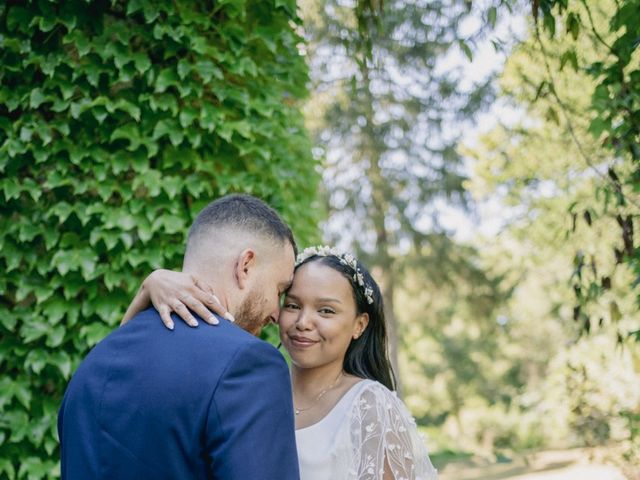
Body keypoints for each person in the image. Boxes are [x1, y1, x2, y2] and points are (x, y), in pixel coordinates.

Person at [126, 245, 439, 479]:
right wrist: (151, 285)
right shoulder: (250, 384)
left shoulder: (371, 406)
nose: (303, 322)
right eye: (292, 305)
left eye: (326, 311)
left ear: (360, 324)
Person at [58, 194, 301, 479]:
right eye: (279, 290)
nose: (276, 313)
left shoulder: (94, 363)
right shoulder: (249, 365)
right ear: (245, 265)